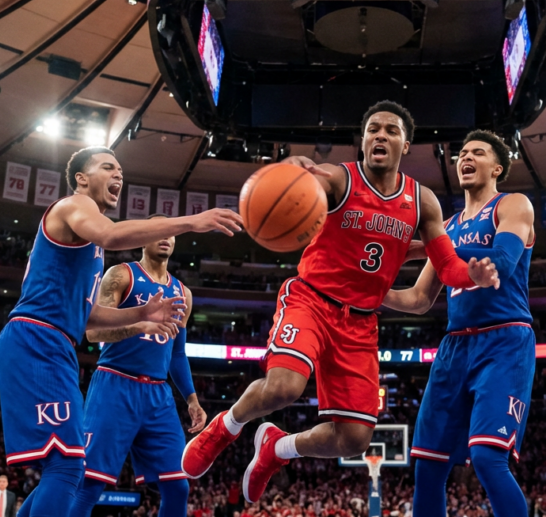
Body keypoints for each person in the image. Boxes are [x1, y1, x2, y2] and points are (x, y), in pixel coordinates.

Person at [182, 101, 500, 502]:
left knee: (353, 439)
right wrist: (293, 173)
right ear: (363, 141)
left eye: (390, 130)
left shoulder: (423, 202)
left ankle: (277, 448)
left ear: (406, 144)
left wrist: (471, 275)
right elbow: (303, 184)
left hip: (361, 322)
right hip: (311, 300)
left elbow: (448, 267)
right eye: (372, 129)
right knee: (285, 387)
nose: (380, 135)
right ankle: (225, 427)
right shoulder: (337, 180)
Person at [0, 146, 243, 517]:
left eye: (121, 172)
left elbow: (86, 316)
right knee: (69, 469)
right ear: (81, 178)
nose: (119, 176)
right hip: (38, 341)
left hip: (58, 342)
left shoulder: (88, 239)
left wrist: (141, 314)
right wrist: (190, 222)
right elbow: (112, 236)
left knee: (67, 468)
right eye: (108, 167)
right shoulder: (76, 207)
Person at [380, 131, 536, 517]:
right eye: (462, 153)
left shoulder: (513, 204)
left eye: (478, 153)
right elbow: (418, 299)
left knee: (486, 458)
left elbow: (504, 258)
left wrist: (436, 246)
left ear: (496, 167)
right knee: (429, 467)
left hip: (504, 340)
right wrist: (367, 288)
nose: (466, 157)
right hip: (454, 347)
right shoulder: (446, 225)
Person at [71, 216, 205, 517]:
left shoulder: (183, 293)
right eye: (160, 230)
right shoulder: (121, 275)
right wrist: (140, 324)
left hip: (159, 395)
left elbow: (177, 353)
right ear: (145, 236)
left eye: (172, 233)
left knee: (178, 486)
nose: (166, 237)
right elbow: (93, 333)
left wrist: (192, 399)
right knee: (89, 483)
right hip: (115, 384)